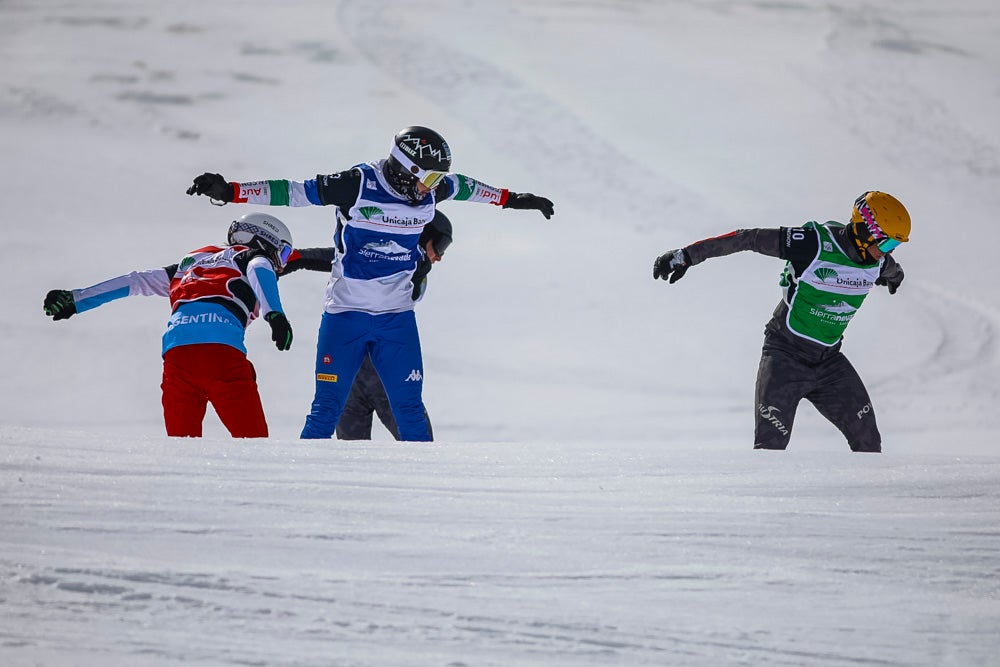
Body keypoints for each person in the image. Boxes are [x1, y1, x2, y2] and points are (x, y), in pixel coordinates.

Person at [186, 125, 554, 441]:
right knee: (324, 410)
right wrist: (231, 191)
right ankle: (294, 487)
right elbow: (293, 191)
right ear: (404, 169)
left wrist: (515, 200)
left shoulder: (432, 189)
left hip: (397, 319)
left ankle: (429, 494)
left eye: (437, 180)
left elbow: (469, 187)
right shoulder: (357, 183)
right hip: (345, 315)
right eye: (427, 179)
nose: (433, 188)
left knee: (409, 409)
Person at [652, 191, 910, 452]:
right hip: (785, 358)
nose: (886, 253)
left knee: (869, 443)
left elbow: (892, 269)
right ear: (865, 231)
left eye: (893, 247)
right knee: (770, 450)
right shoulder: (812, 244)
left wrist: (895, 276)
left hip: (829, 364)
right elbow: (747, 238)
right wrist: (687, 255)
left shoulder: (879, 262)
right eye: (886, 244)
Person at [42, 213, 296, 438]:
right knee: (253, 444)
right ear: (263, 240)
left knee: (182, 446)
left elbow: (136, 281)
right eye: (283, 253)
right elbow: (259, 267)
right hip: (221, 352)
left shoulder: (190, 264)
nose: (282, 264)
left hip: (177, 354)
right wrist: (275, 315)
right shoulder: (253, 256)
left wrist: (76, 300)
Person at [283, 211, 454, 440]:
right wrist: (298, 259)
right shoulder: (403, 258)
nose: (440, 256)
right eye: (442, 245)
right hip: (358, 372)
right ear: (423, 233)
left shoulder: (414, 263)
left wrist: (299, 258)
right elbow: (341, 256)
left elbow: (345, 257)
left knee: (415, 442)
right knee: (355, 454)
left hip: (375, 372)